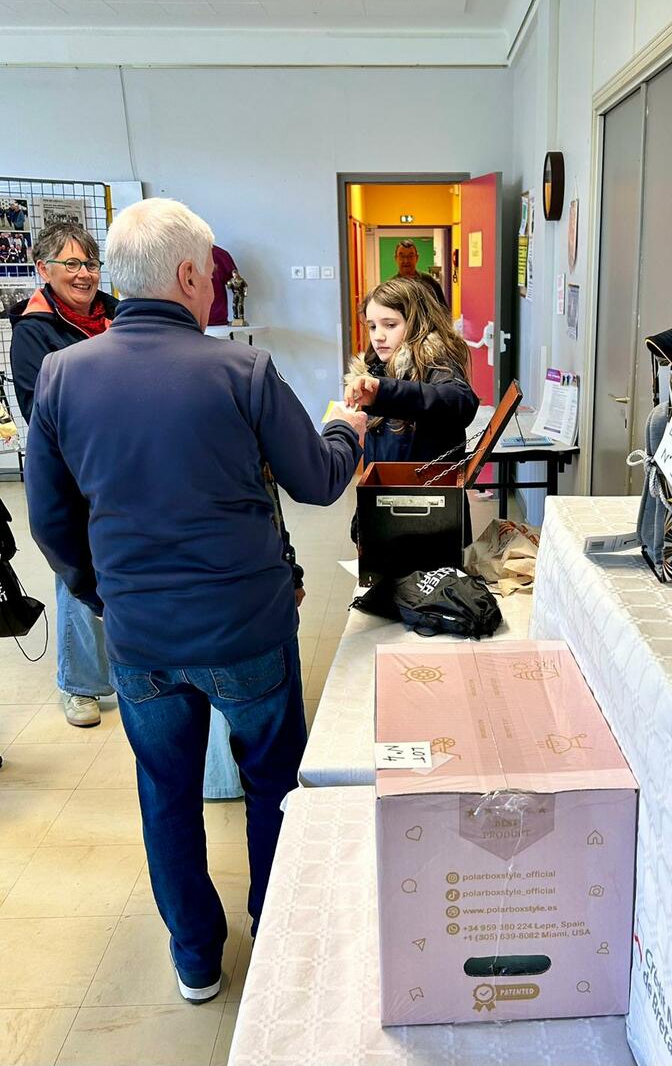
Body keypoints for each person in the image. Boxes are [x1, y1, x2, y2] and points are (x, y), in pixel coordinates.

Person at [25, 197, 366, 1003]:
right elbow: (318, 480)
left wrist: (102, 595)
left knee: (166, 794)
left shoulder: (64, 375)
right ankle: (276, 932)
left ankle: (195, 959)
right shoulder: (241, 371)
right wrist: (346, 427)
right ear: (186, 275)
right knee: (270, 782)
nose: (213, 289)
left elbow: (50, 519)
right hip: (245, 629)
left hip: (141, 638)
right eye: (209, 276)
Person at [10, 224, 118, 728]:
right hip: (71, 470)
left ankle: (124, 668)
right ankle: (80, 685)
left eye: (90, 263)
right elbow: (41, 409)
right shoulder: (33, 330)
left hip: (122, 463)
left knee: (118, 564)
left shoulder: (117, 313)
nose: (84, 274)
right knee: (77, 569)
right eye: (71, 264)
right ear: (43, 270)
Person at [345, 274, 478, 469]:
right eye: (372, 326)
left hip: (423, 486)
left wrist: (384, 391)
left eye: (390, 325)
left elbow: (460, 400)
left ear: (417, 323)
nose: (378, 336)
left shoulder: (435, 361)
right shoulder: (377, 366)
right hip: (387, 485)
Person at [392, 238, 448, 309]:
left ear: (417, 258)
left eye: (410, 256)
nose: (406, 261)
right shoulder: (391, 287)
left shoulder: (430, 282)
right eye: (402, 256)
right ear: (396, 258)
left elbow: (443, 310)